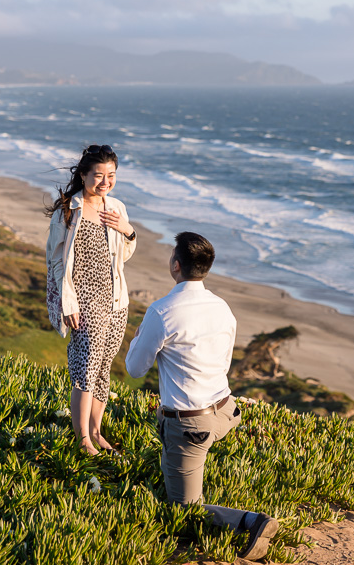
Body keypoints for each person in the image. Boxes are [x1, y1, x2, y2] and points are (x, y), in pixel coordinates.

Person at [125, 232, 280, 561]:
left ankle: (250, 522)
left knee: (183, 508)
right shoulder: (222, 308)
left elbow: (135, 369)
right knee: (176, 440)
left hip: (192, 427)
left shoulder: (162, 311)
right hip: (226, 412)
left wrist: (139, 337)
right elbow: (223, 363)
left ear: (175, 265)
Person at [45, 144, 137, 455]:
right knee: (86, 367)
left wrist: (128, 231)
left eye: (111, 175)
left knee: (103, 367)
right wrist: (66, 303)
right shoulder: (68, 210)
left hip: (115, 299)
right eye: (98, 175)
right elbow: (56, 260)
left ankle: (96, 431)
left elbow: (123, 256)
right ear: (83, 175)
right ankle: (82, 437)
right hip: (84, 298)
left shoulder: (118, 208)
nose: (105, 181)